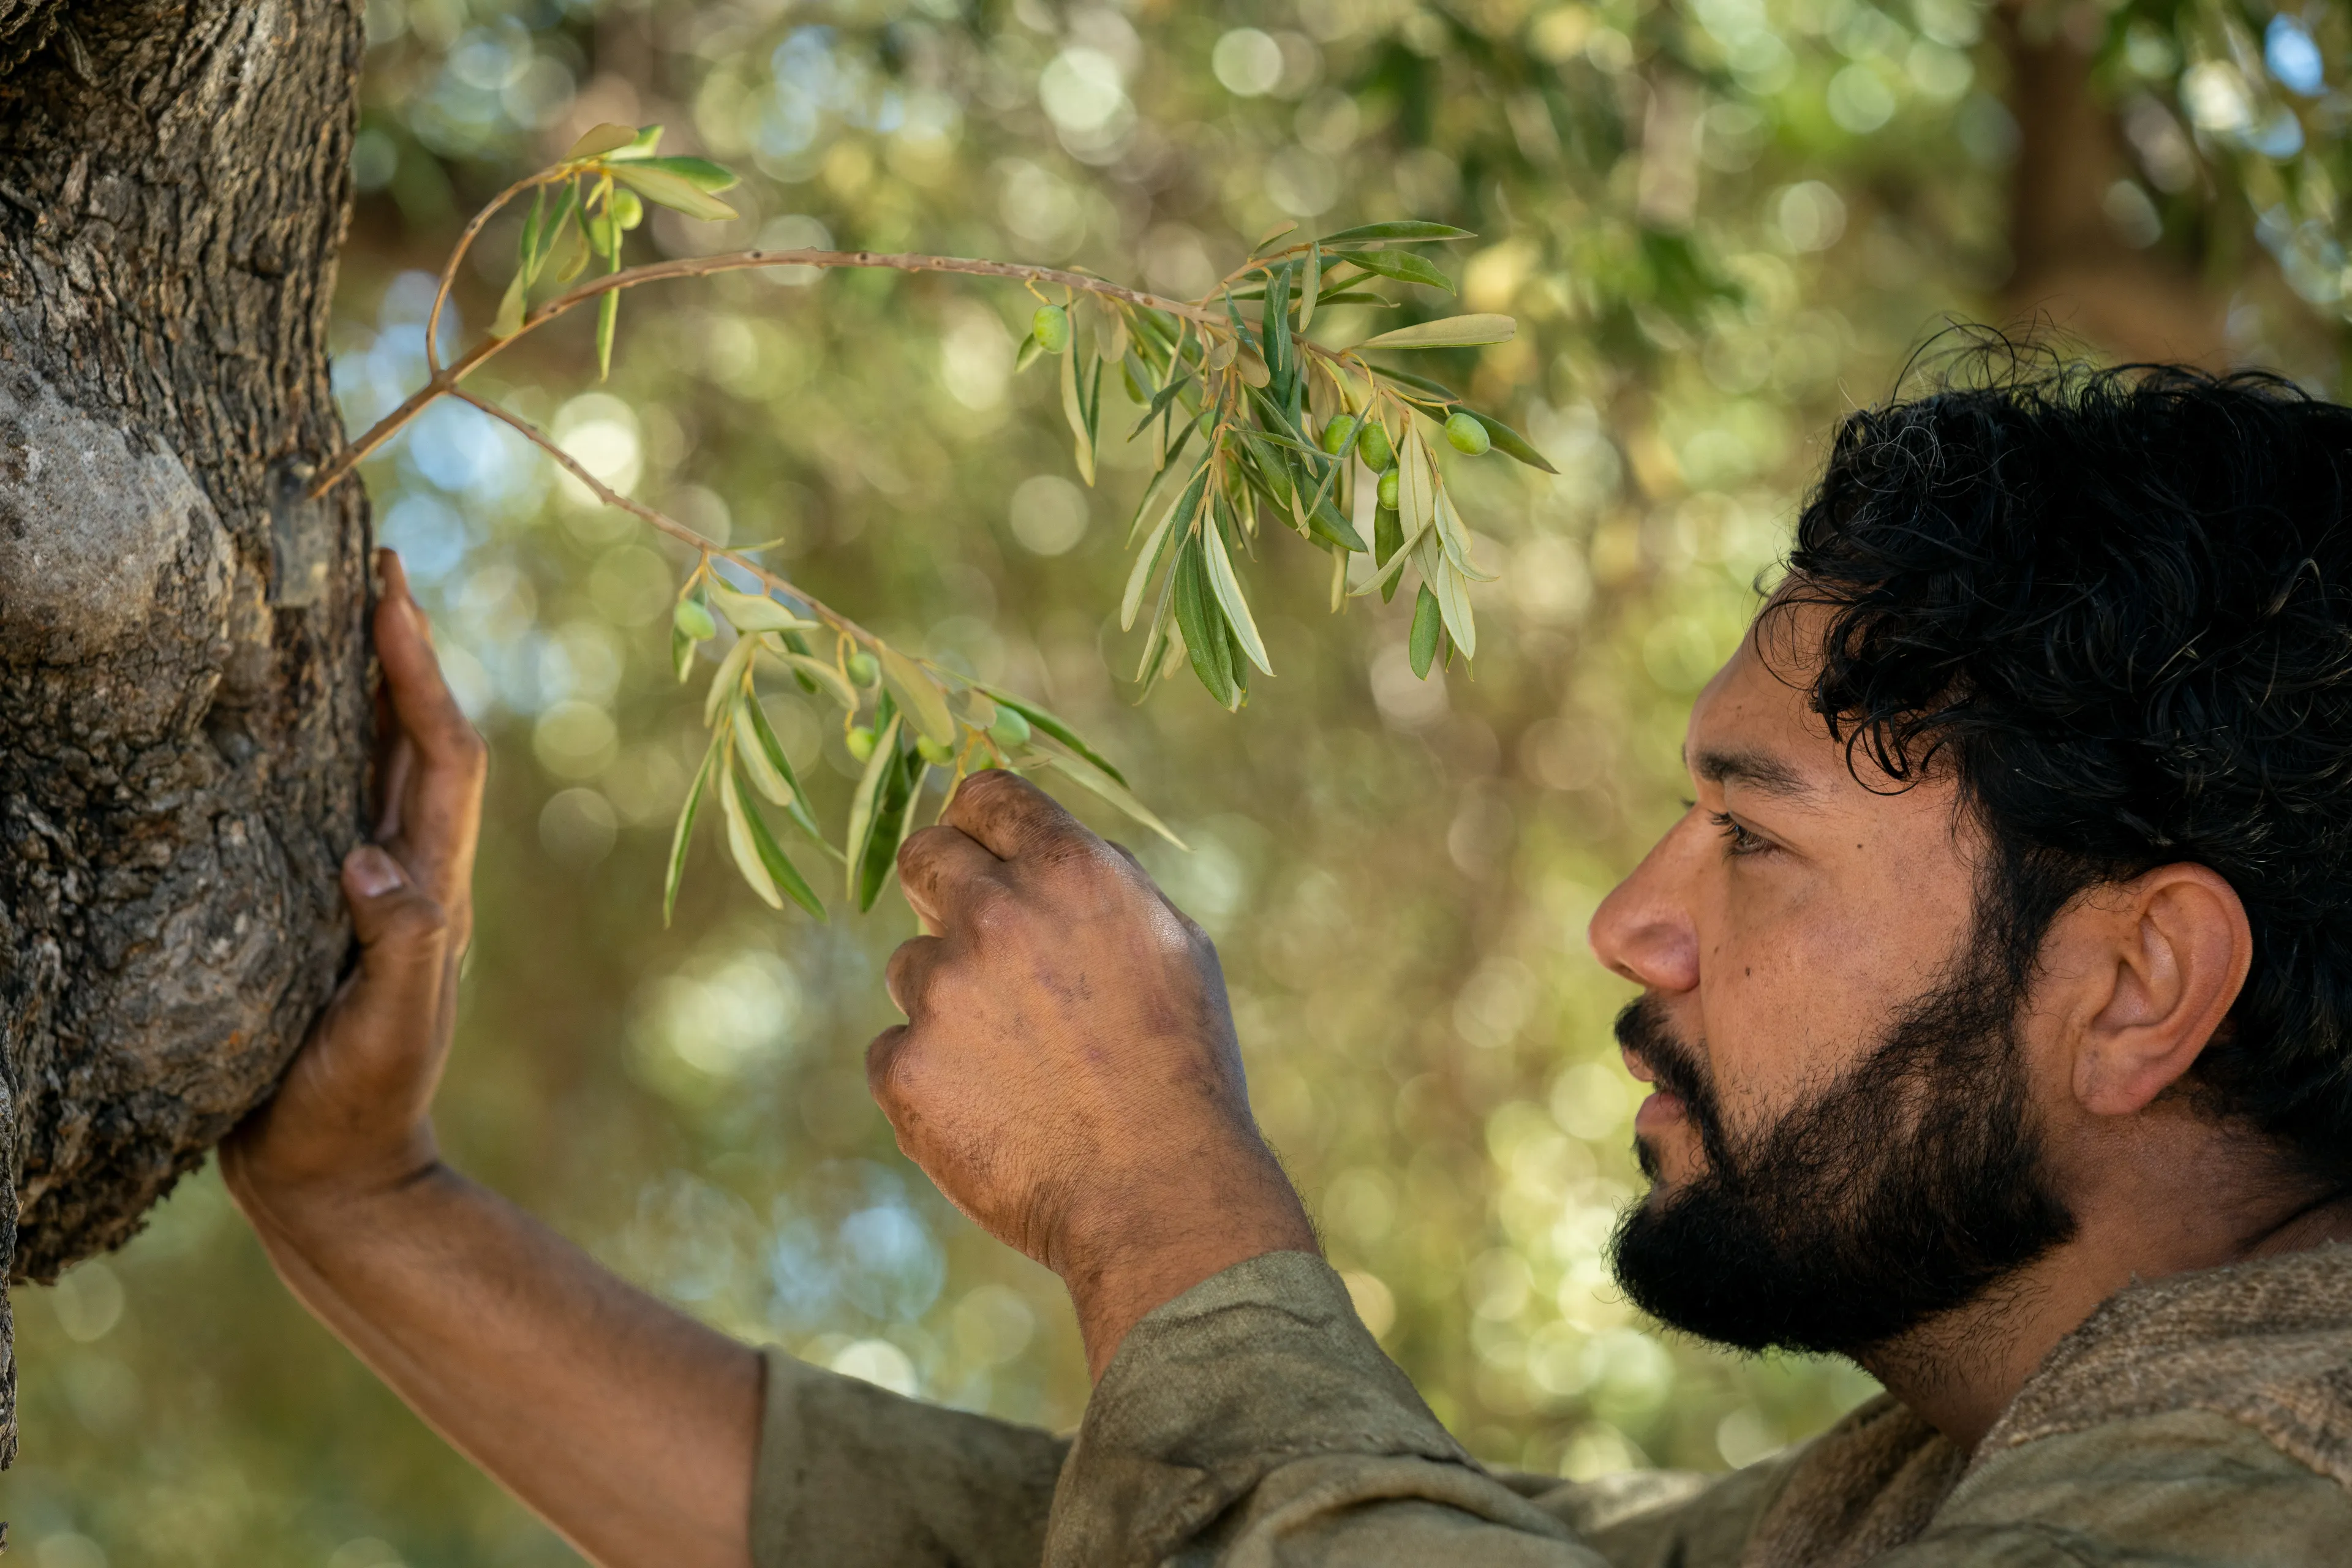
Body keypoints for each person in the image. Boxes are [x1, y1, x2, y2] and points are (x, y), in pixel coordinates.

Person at [229, 360, 2352, 1568]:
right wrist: (367, 1202)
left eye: (1752, 831)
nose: (1634, 923)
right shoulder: (1939, 1493)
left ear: (2139, 986)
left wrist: (1161, 1193)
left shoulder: (2286, 1470)